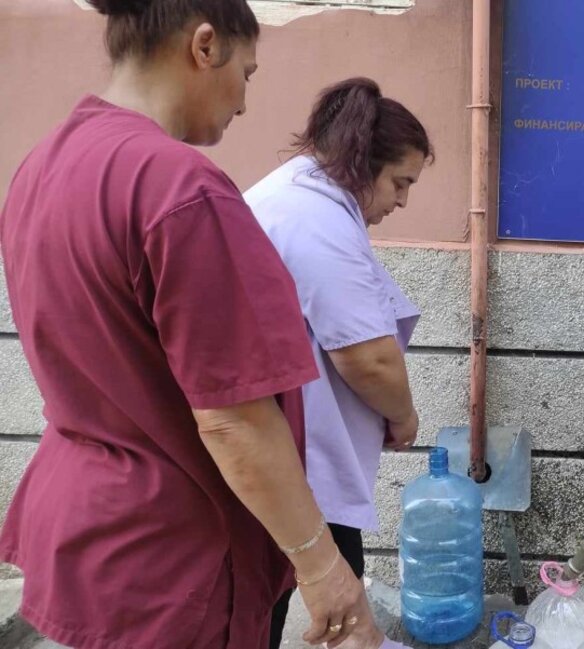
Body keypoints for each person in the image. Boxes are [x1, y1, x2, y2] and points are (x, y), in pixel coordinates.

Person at [0, 1, 381, 647]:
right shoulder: (180, 187)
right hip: (175, 554)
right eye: (248, 73)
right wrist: (323, 565)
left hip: (88, 531)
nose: (244, 103)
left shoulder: (41, 166)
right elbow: (234, 417)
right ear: (204, 46)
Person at [244, 77, 432, 648]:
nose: (401, 201)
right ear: (362, 163)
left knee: (299, 588)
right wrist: (404, 417)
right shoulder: (316, 219)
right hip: (295, 454)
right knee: (308, 586)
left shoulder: (294, 196)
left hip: (287, 444)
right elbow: (368, 357)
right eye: (401, 182)